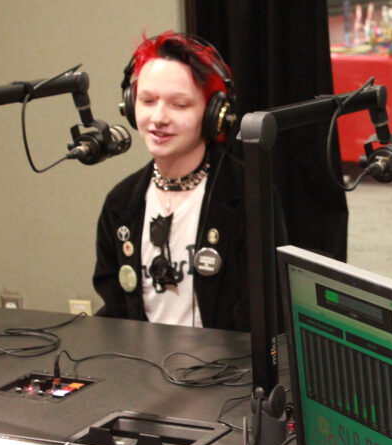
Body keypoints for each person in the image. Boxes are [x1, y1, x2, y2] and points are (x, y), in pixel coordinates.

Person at [94, 31, 278, 330]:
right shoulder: (120, 203)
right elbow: (114, 303)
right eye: (147, 100)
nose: (158, 118)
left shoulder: (248, 196)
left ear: (214, 114)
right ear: (129, 106)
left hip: (226, 371)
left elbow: (265, 309)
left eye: (179, 105)